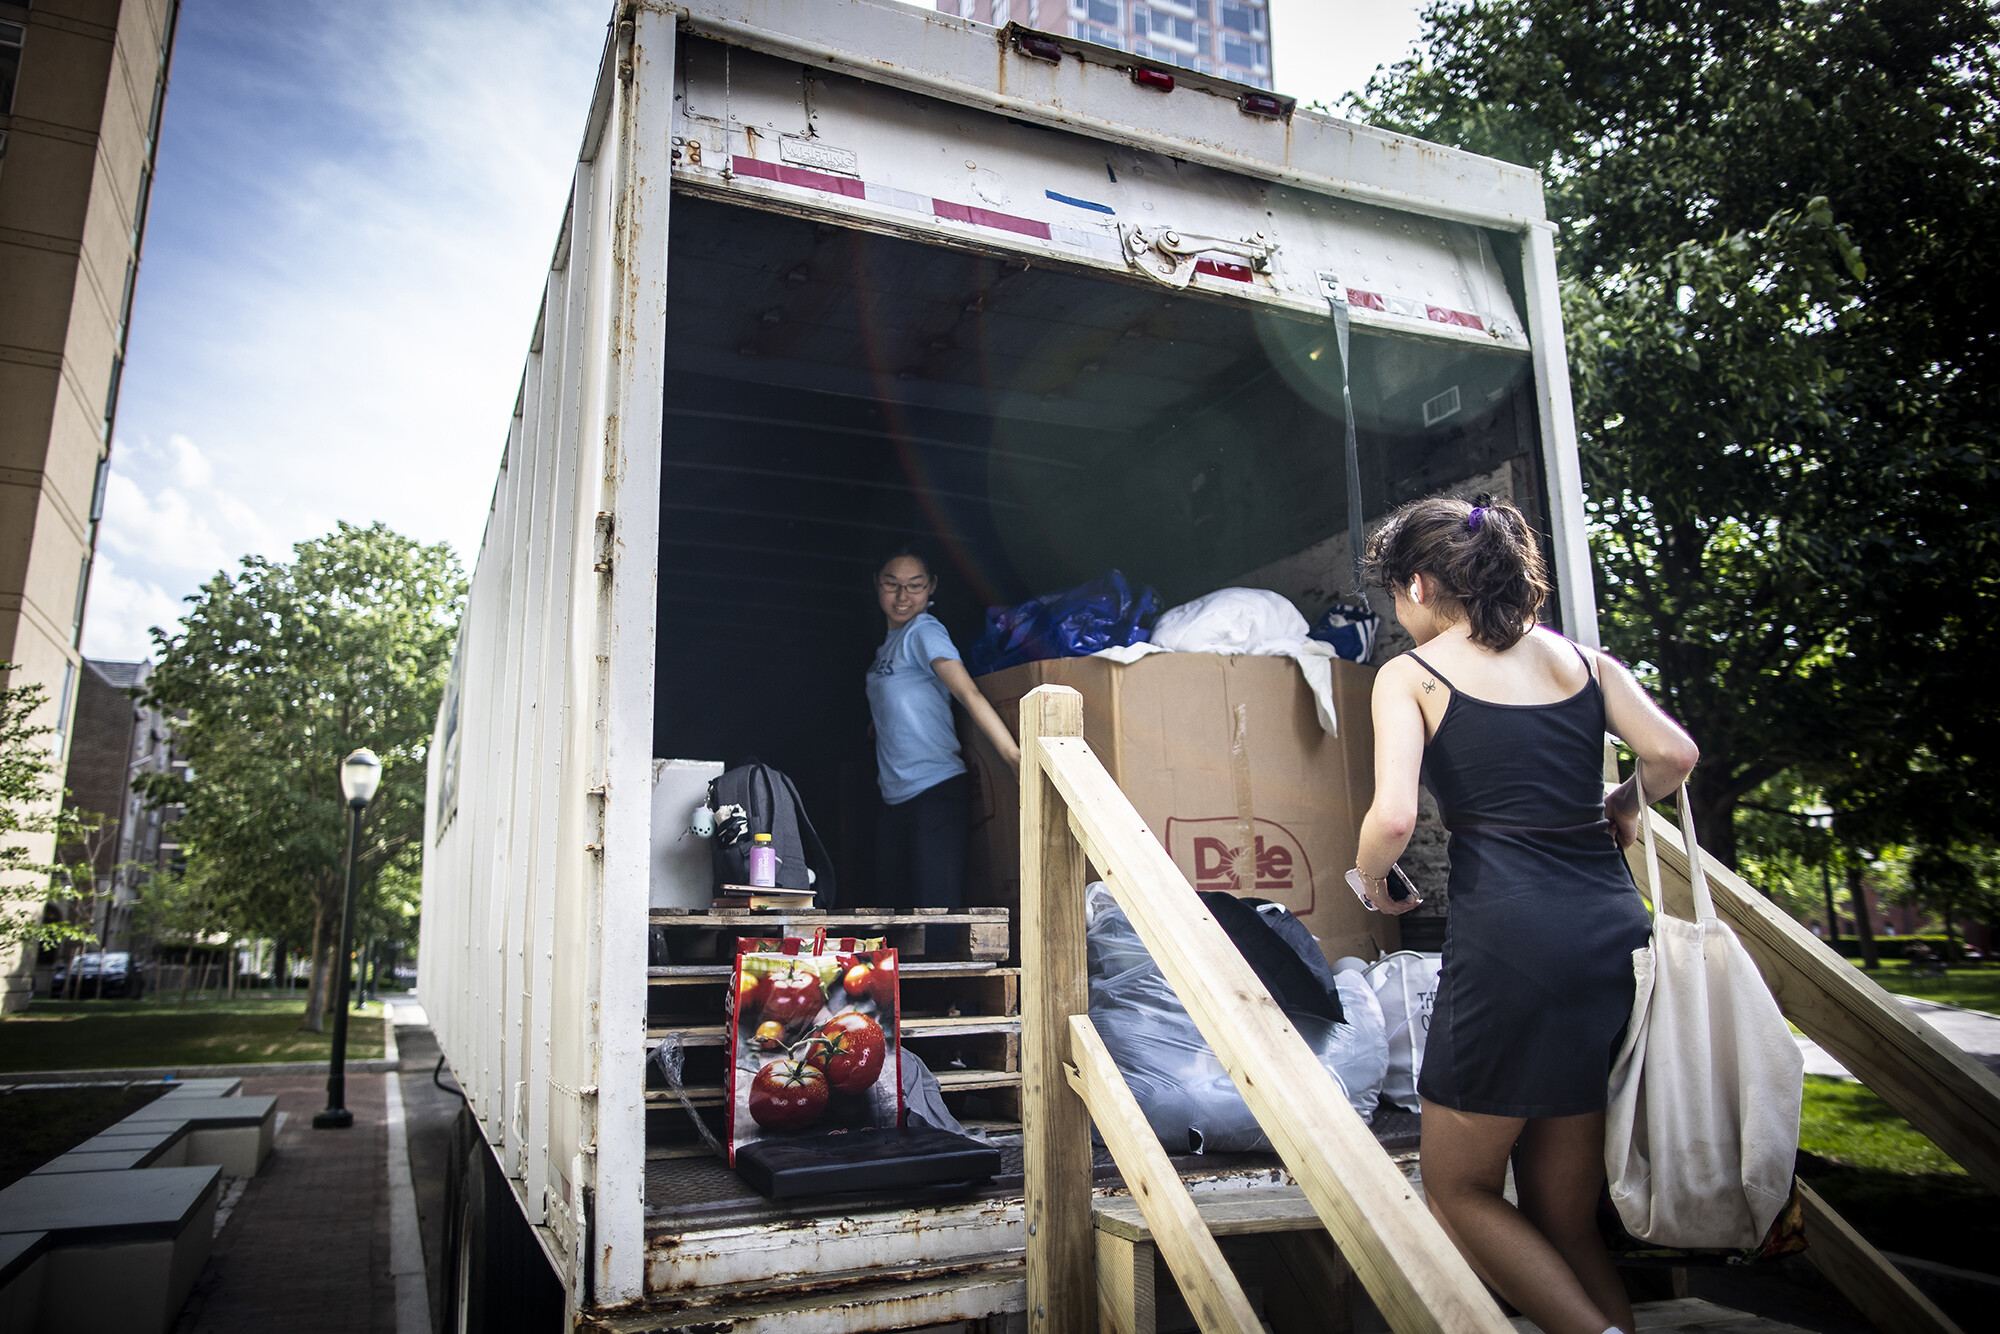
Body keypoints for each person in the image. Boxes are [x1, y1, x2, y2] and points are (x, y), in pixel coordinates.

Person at [1352, 497, 1699, 1334]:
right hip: (1607, 935)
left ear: (1421, 584)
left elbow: (1394, 819)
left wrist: (1372, 882)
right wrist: (1620, 802)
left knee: (1457, 1190)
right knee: (1561, 1217)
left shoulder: (1414, 673)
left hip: (1510, 944)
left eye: (1396, 597)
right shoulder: (1586, 663)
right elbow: (1674, 755)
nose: (1399, 616)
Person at [867, 548, 1021, 910]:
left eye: (915, 586)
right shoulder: (887, 646)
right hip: (894, 798)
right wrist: (880, 721)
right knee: (892, 916)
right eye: (891, 584)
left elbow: (967, 692)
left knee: (934, 915)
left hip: (934, 792)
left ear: (932, 587)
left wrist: (1011, 754)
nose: (902, 597)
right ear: (877, 583)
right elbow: (904, 692)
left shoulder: (924, 631)